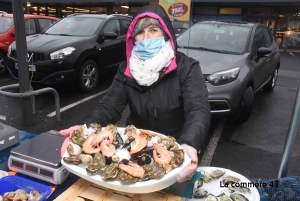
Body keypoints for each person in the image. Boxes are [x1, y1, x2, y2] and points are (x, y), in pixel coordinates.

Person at [61, 5, 211, 183]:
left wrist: (189, 144)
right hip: (134, 147)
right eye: (140, 33)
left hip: (176, 145)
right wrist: (83, 128)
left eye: (153, 30)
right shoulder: (126, 69)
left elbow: (198, 110)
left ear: (166, 34)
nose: (146, 38)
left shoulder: (187, 68)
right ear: (133, 37)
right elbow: (109, 107)